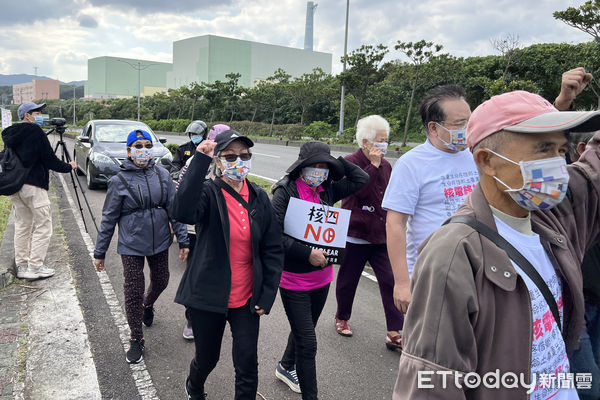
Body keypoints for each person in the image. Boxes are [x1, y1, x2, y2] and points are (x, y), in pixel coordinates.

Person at [393, 87, 600, 399]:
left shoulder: (553, 220)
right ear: (487, 161)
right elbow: (431, 384)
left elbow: (592, 171)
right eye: (543, 149)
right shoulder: (452, 254)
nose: (559, 165)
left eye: (561, 151)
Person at [173, 130, 284, 400]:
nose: (239, 162)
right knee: (207, 358)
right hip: (208, 296)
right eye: (231, 156)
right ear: (219, 162)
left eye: (245, 156)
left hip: (247, 298)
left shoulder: (259, 197)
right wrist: (200, 161)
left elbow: (273, 248)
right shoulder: (209, 193)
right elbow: (183, 211)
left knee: (247, 363)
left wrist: (267, 294)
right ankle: (194, 386)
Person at [271, 141, 368, 399]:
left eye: (324, 167)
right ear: (301, 167)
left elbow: (361, 178)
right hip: (293, 281)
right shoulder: (285, 192)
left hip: (323, 278)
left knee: (304, 330)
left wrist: (337, 160)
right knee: (308, 342)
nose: (319, 171)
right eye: (313, 165)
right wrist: (306, 253)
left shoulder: (327, 190)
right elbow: (272, 236)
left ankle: (285, 366)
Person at [93, 129, 189, 364]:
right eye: (138, 146)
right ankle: (136, 338)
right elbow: (108, 219)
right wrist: (100, 252)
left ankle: (148, 304)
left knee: (162, 279)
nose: (143, 150)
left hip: (160, 241)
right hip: (131, 244)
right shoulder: (119, 181)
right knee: (133, 289)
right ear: (129, 151)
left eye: (147, 145)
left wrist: (184, 240)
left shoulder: (163, 175)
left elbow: (174, 209)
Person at [382, 85, 478, 315]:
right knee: (433, 347)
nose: (467, 129)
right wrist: (403, 283)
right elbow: (395, 225)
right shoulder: (411, 164)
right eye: (459, 124)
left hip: (477, 270)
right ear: (434, 128)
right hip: (432, 275)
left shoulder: (477, 155)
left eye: (470, 121)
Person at [334, 115, 404, 350]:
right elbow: (359, 193)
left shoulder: (387, 164)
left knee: (389, 280)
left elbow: (390, 194)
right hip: (356, 232)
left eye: (386, 140)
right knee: (348, 279)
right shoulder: (349, 162)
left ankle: (394, 330)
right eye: (380, 140)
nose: (384, 145)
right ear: (365, 141)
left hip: (381, 233)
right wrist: (372, 166)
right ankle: (342, 317)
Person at [553, 67, 600, 400]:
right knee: (588, 387)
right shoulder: (574, 186)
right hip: (574, 306)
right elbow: (536, 152)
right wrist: (562, 103)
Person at [1, 101, 76, 280]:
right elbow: (49, 159)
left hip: (16, 186)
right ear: (27, 115)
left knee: (23, 226)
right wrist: (68, 166)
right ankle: (35, 267)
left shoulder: (12, 134)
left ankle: (22, 266)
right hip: (34, 186)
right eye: (37, 112)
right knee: (43, 225)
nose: (40, 115)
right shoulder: (35, 131)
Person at [175, 123, 230, 341]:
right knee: (197, 274)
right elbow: (182, 197)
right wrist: (182, 238)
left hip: (220, 226)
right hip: (195, 228)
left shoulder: (230, 163)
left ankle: (216, 314)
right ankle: (191, 318)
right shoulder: (195, 161)